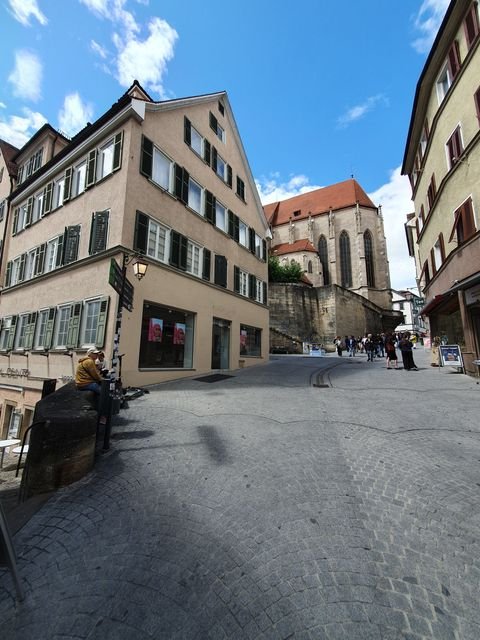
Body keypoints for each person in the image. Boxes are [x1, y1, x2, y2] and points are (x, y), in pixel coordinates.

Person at [75, 348, 107, 423]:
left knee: (99, 392)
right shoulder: (89, 362)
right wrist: (102, 379)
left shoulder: (86, 361)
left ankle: (98, 411)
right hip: (85, 383)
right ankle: (101, 416)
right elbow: (95, 375)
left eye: (97, 354)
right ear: (90, 354)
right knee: (103, 393)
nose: (96, 355)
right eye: (95, 353)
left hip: (81, 382)